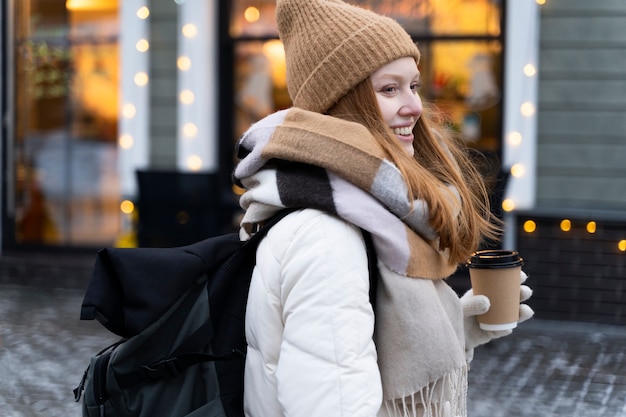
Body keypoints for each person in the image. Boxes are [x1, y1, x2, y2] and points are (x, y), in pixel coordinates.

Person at [232, 0, 534, 416]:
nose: (412, 106)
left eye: (413, 85)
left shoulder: (371, 212)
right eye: (389, 89)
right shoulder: (325, 237)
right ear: (340, 105)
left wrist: (452, 331)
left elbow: (357, 353)